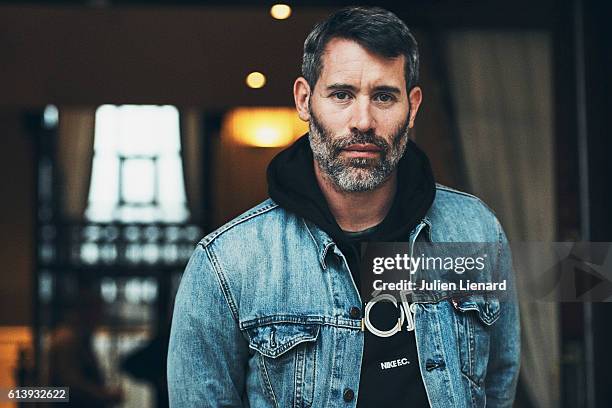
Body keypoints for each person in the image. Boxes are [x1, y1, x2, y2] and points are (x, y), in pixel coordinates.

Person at [168, 6, 520, 407]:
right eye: (342, 95)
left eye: (384, 96)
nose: (363, 121)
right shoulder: (227, 263)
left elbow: (498, 379)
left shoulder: (476, 230)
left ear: (413, 107)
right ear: (304, 100)